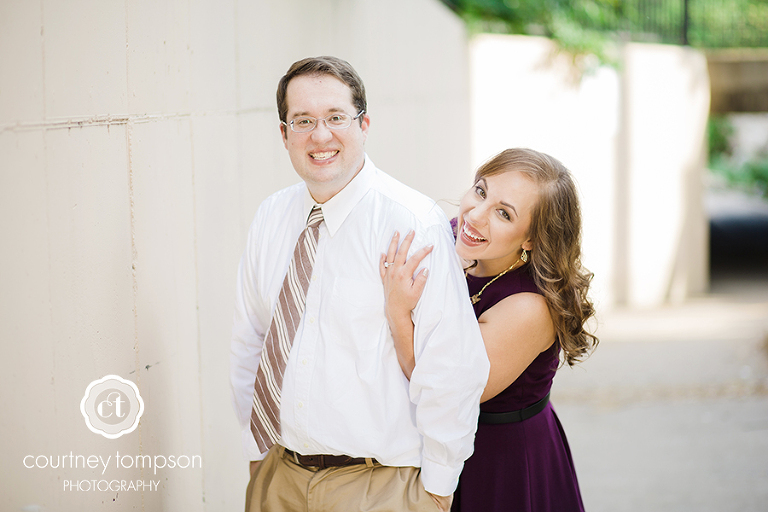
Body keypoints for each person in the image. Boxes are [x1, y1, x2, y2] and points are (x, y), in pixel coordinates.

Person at [229, 56, 489, 512]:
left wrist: (438, 489)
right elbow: (250, 339)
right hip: (279, 476)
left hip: (380, 486)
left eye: (336, 117)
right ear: (284, 134)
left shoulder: (412, 222)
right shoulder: (271, 216)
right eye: (303, 120)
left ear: (364, 124)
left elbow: (452, 366)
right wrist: (257, 453)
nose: (320, 136)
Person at [380, 148, 598, 512]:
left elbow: (444, 388)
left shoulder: (529, 308)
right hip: (436, 443)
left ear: (530, 239)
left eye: (504, 213)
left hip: (502, 461)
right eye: (481, 191)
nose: (475, 215)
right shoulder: (456, 237)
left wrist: (398, 312)